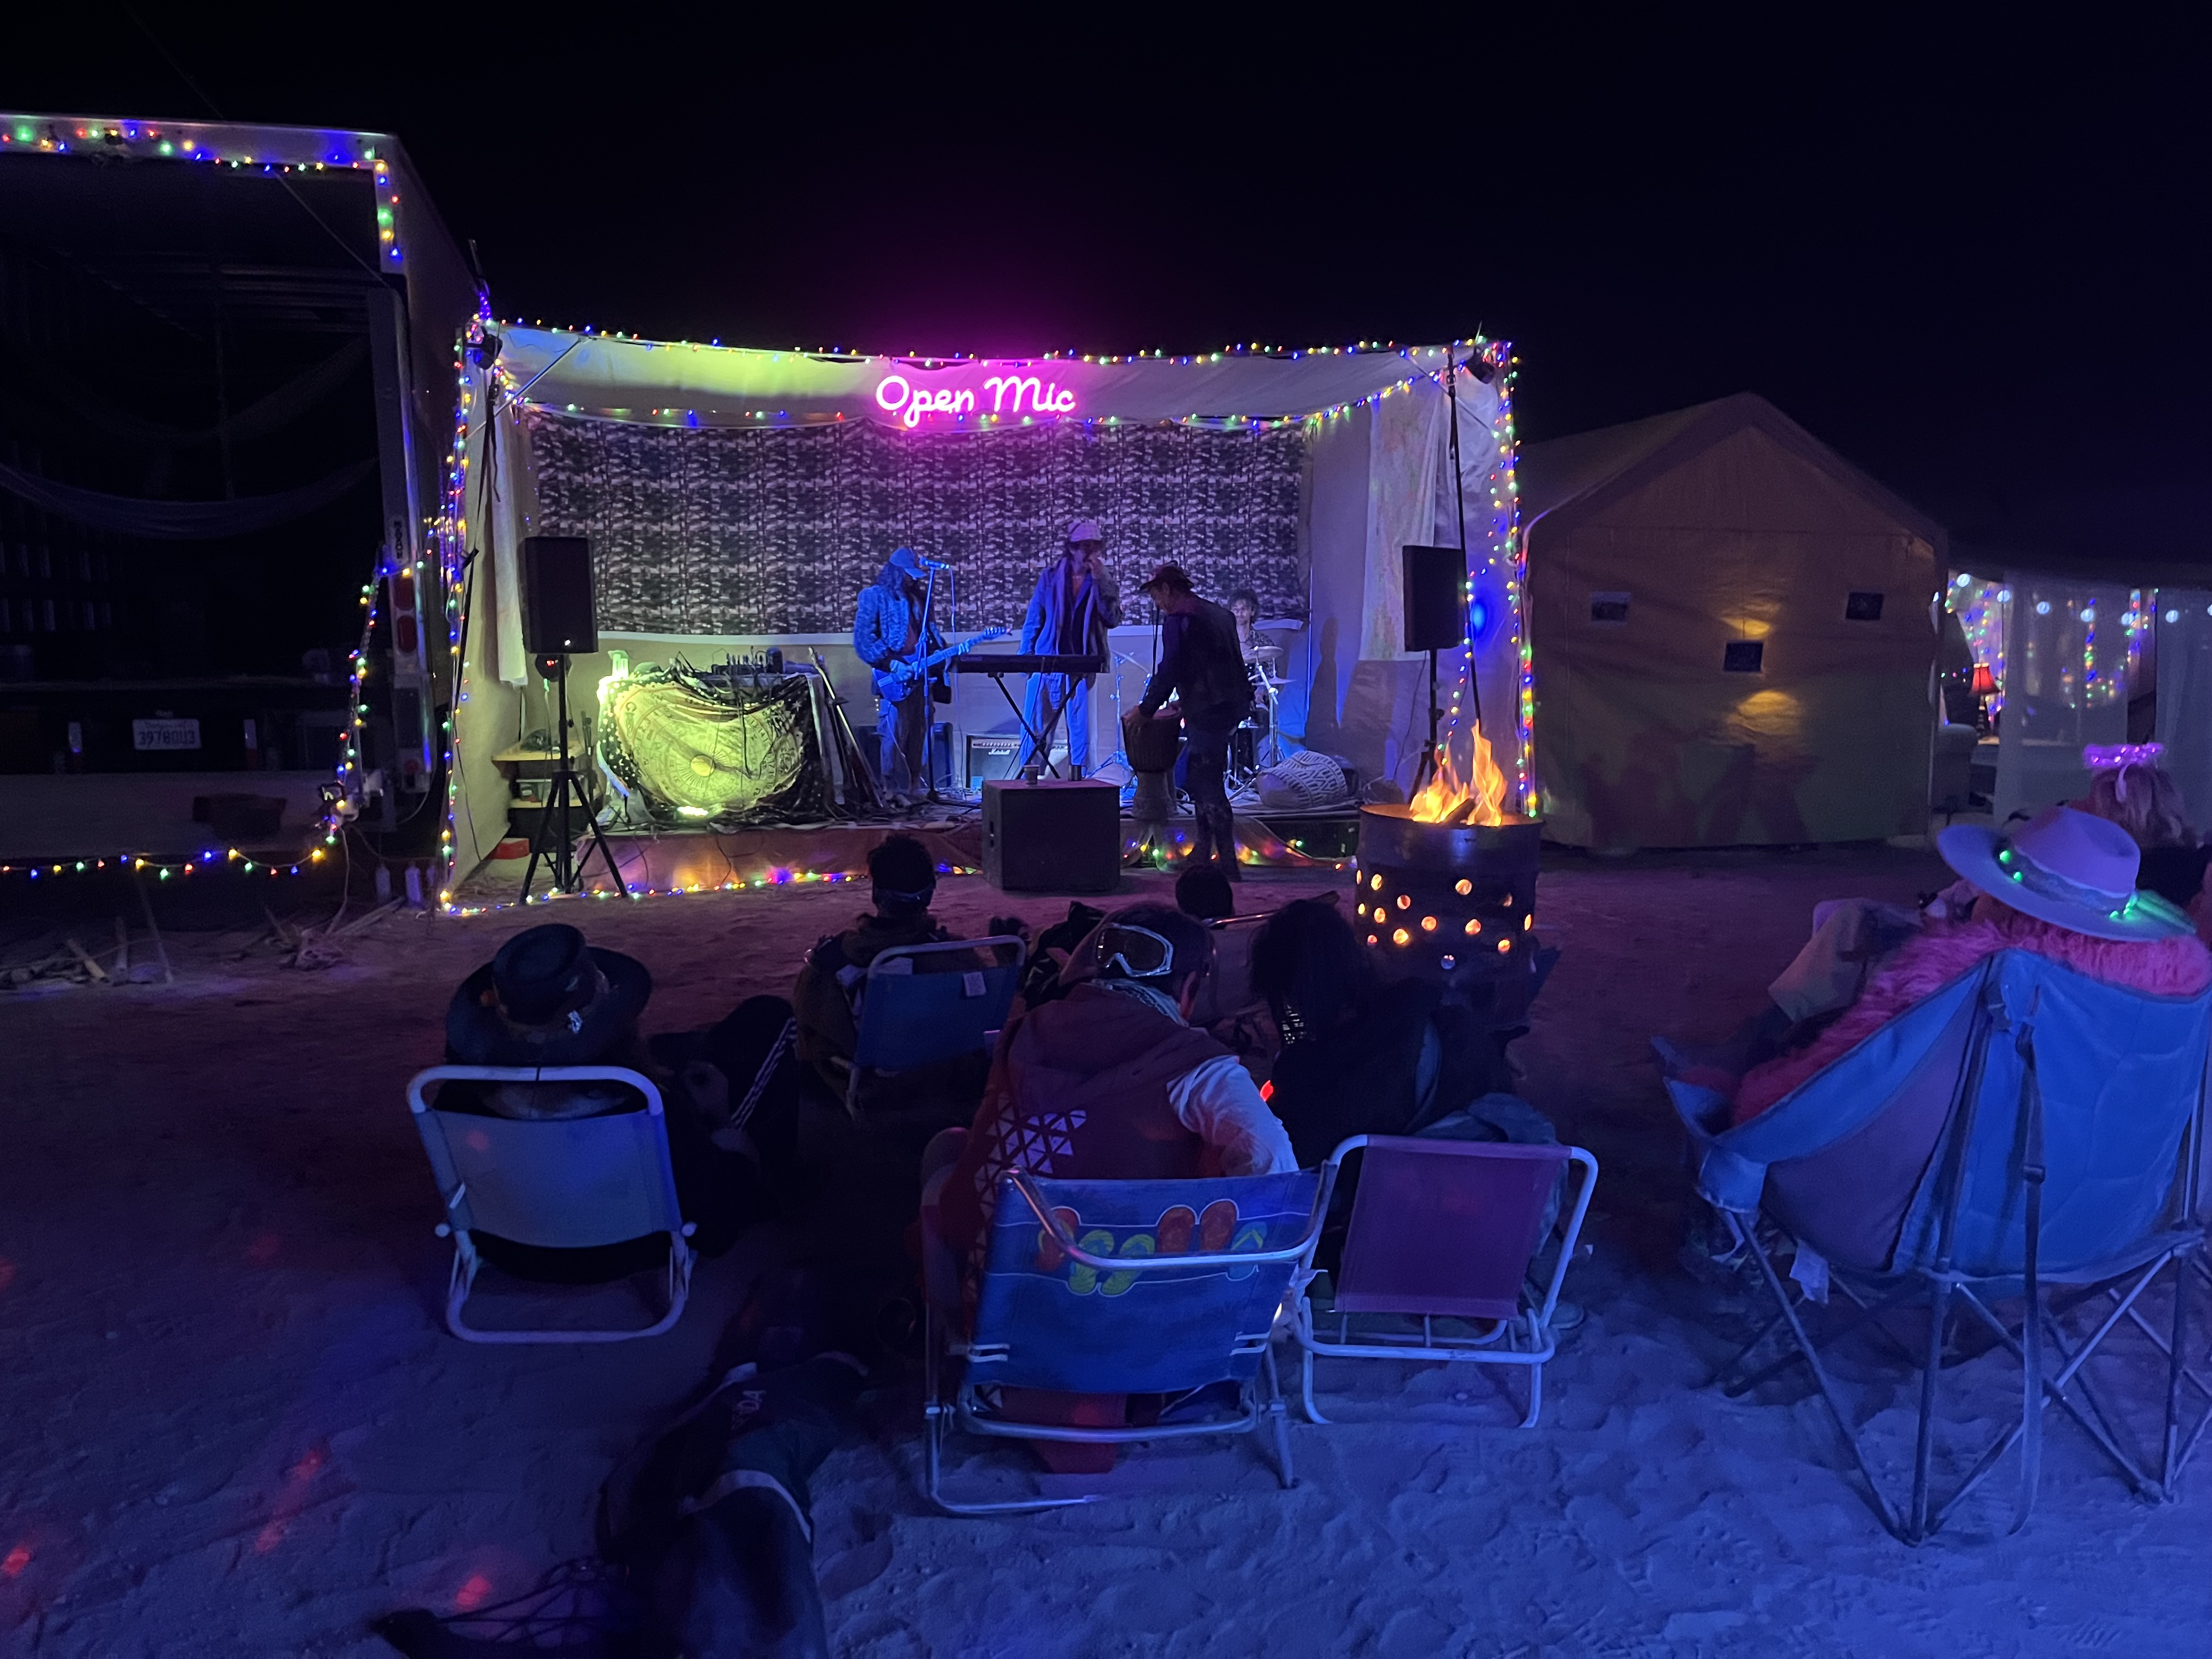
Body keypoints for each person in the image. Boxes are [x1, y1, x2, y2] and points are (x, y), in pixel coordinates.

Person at [1730, 806, 2212, 1122]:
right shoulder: (2162, 989)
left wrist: (1756, 1109)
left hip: (1941, 1176)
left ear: (2001, 901)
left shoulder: (1963, 977)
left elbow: (1833, 1089)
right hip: (2095, 1193)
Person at [934, 903, 1294, 1274]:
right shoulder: (1195, 1065)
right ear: (1190, 986)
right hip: (1116, 1294)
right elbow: (1270, 1161)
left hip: (983, 1283)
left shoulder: (1024, 1031)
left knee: (944, 1151)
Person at [442, 923, 772, 1269]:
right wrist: (721, 1122)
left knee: (678, 1049)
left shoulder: (457, 1101)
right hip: (632, 1252)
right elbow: (716, 1230)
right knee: (766, 1019)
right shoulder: (646, 1107)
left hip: (510, 1251)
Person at [1247, 897, 1523, 1168]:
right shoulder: (1449, 1025)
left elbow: (1284, 1161)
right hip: (1487, 1188)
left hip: (1392, 1195)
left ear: (1297, 996)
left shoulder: (1322, 1074)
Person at [790, 833, 1014, 1108]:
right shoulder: (958, 957)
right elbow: (986, 1022)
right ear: (930, 893)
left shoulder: (831, 965)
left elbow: (809, 1028)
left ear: (876, 894)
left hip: (874, 1091)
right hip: (945, 1083)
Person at [1136, 564, 1251, 876]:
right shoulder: (1220, 614)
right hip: (1228, 707)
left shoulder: (1179, 620)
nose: (1157, 603)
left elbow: (1171, 669)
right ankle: (1203, 852)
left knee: (1208, 784)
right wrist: (1185, 703)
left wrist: (1146, 710)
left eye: (1156, 595)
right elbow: (1214, 665)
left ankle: (1228, 865)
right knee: (1204, 781)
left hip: (1208, 711)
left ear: (1167, 589)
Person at [1018, 518, 1121, 777]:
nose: (1089, 552)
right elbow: (1034, 619)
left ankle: (1081, 782)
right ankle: (1030, 783)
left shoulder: (1104, 580)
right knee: (1036, 728)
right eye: (1084, 546)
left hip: (1082, 666)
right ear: (1072, 548)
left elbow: (1112, 618)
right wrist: (1026, 658)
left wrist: (1101, 582)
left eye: (1094, 546)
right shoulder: (1051, 577)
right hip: (1046, 662)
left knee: (1082, 733)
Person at [852, 546, 943, 803]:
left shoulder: (919, 599)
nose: (913, 578)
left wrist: (940, 651)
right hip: (894, 676)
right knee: (894, 733)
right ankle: (890, 790)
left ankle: (914, 785)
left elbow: (929, 634)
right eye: (908, 574)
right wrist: (892, 664)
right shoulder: (875, 596)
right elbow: (863, 640)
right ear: (895, 572)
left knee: (920, 733)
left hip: (920, 676)